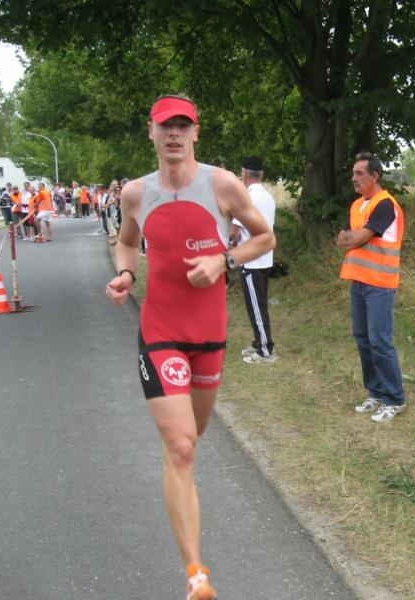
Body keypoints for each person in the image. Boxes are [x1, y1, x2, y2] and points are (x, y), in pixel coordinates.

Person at [105, 93, 275, 599]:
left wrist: (224, 260)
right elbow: (127, 241)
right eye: (166, 126)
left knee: (193, 435)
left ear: (196, 132)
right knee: (180, 446)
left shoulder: (222, 185)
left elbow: (264, 238)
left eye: (183, 125)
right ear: (152, 132)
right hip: (161, 330)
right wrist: (126, 273)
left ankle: (182, 483)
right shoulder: (136, 193)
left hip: (210, 333)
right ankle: (196, 574)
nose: (174, 133)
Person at [337, 151, 407, 423]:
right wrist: (353, 238)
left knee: (379, 341)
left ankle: (394, 398)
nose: (353, 178)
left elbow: (358, 238)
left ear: (374, 176)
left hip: (380, 284)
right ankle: (375, 393)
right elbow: (342, 240)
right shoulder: (357, 205)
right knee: (363, 339)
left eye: (359, 174)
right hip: (358, 281)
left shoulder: (385, 204)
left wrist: (354, 237)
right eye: (353, 173)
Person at [232, 156, 278, 364]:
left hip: (251, 260)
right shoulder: (267, 196)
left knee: (256, 306)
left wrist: (230, 247)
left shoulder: (246, 197)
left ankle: (266, 350)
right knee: (258, 304)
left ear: (244, 173)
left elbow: (235, 230)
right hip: (265, 258)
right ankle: (259, 341)